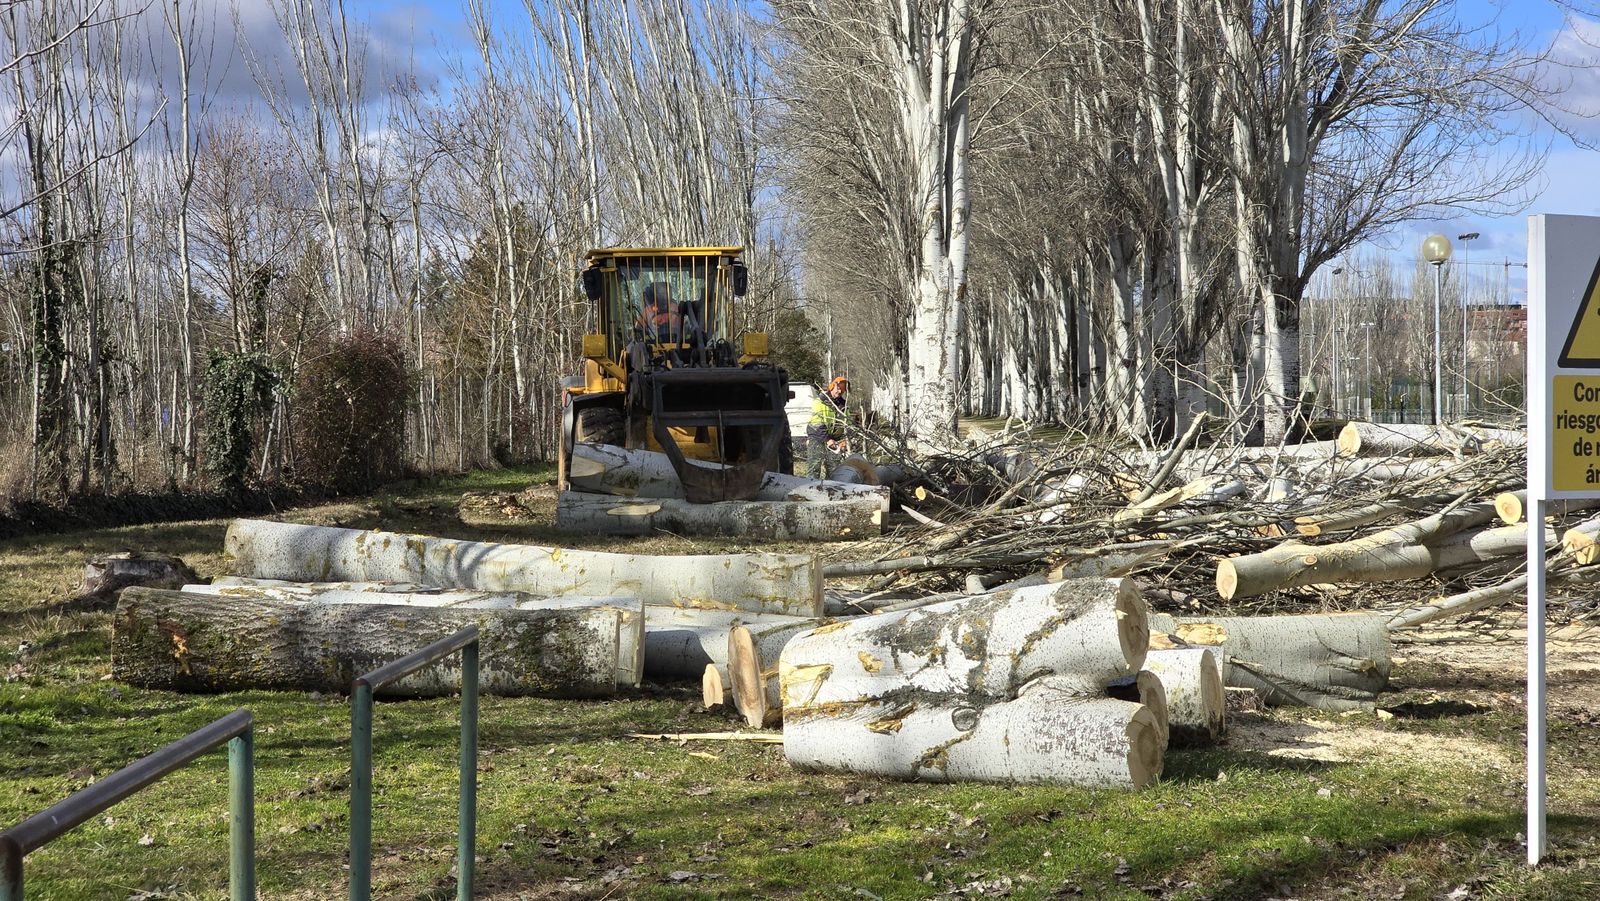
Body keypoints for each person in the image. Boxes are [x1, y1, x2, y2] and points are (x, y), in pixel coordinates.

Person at [806, 376, 849, 479]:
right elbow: (817, 424)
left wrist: (843, 440)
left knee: (834, 468)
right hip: (817, 437)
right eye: (838, 388)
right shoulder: (819, 402)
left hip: (833, 439)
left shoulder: (843, 406)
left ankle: (831, 489)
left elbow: (845, 425)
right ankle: (810, 490)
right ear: (832, 386)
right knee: (814, 467)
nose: (840, 391)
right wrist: (827, 439)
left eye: (842, 389)